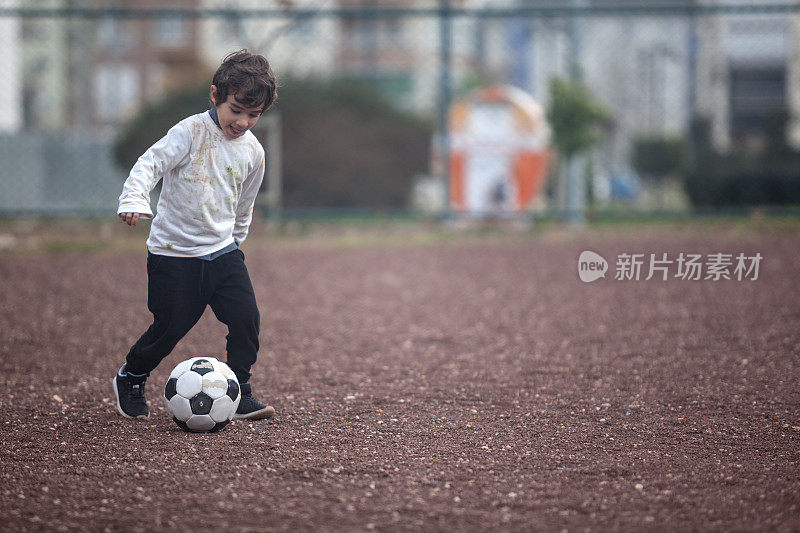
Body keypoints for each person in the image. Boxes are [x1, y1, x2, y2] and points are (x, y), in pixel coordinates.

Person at [113, 50, 277, 421]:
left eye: (254, 115)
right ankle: (132, 376)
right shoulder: (189, 133)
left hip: (223, 252)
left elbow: (244, 202)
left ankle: (239, 390)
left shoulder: (254, 151)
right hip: (174, 254)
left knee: (246, 318)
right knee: (171, 327)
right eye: (237, 109)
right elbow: (150, 163)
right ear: (216, 94)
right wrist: (134, 197)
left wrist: (236, 240)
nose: (244, 121)